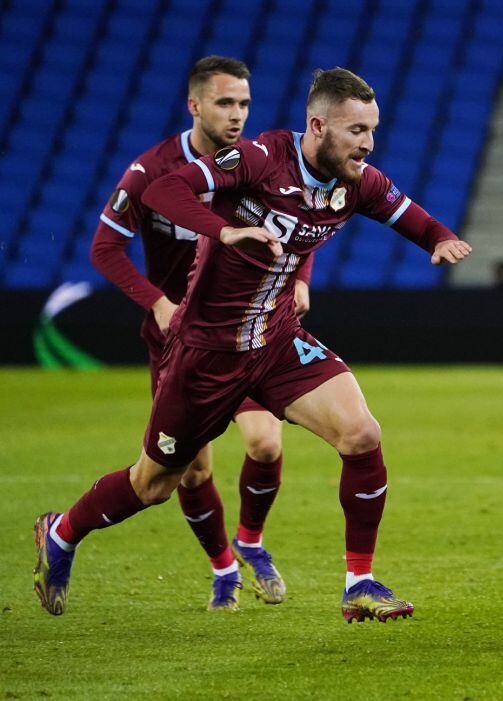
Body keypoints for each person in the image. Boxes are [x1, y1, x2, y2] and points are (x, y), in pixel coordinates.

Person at [34, 67, 472, 621]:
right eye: (357, 130)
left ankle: (358, 582)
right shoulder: (260, 159)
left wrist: (440, 239)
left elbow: (406, 214)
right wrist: (225, 230)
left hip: (276, 340)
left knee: (361, 434)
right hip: (206, 355)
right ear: (318, 125)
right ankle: (63, 533)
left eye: (372, 130)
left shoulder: (356, 181)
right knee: (154, 484)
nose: (368, 143)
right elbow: (166, 189)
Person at [91, 55, 300, 611]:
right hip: (179, 338)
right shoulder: (151, 170)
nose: (237, 115)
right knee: (190, 470)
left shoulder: (256, 162)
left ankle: (251, 543)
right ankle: (223, 569)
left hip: (245, 329)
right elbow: (104, 249)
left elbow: (302, 219)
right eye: (225, 103)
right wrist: (157, 303)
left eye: (245, 104)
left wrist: (300, 276)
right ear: (195, 105)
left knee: (265, 440)